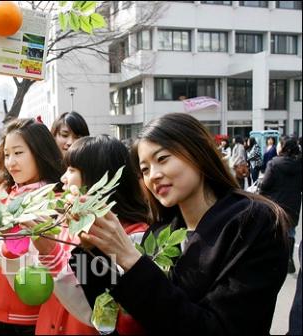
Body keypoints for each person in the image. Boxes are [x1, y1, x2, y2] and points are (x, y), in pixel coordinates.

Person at [73, 113, 289, 334]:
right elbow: (111, 313)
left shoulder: (252, 222)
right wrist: (85, 253)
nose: (153, 175)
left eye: (163, 158)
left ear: (197, 152)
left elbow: (215, 327)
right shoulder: (159, 232)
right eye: (144, 169)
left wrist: (131, 260)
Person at [23, 135, 149, 335]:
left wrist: (51, 254)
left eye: (71, 170)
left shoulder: (132, 239)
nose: (63, 178)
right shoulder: (66, 225)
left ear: (98, 178)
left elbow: (103, 312)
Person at [0, 118, 64, 335]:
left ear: (40, 152)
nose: (11, 162)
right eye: (6, 155)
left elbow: (25, 254)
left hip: (34, 313)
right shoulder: (0, 193)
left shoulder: (54, 199)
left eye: (18, 153)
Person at [260, 136, 302, 274]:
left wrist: (260, 192)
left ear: (283, 147)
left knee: (275, 231)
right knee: (290, 231)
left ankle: (277, 260)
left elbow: (265, 184)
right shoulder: (299, 164)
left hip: (276, 204)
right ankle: (288, 256)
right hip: (293, 205)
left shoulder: (274, 163)